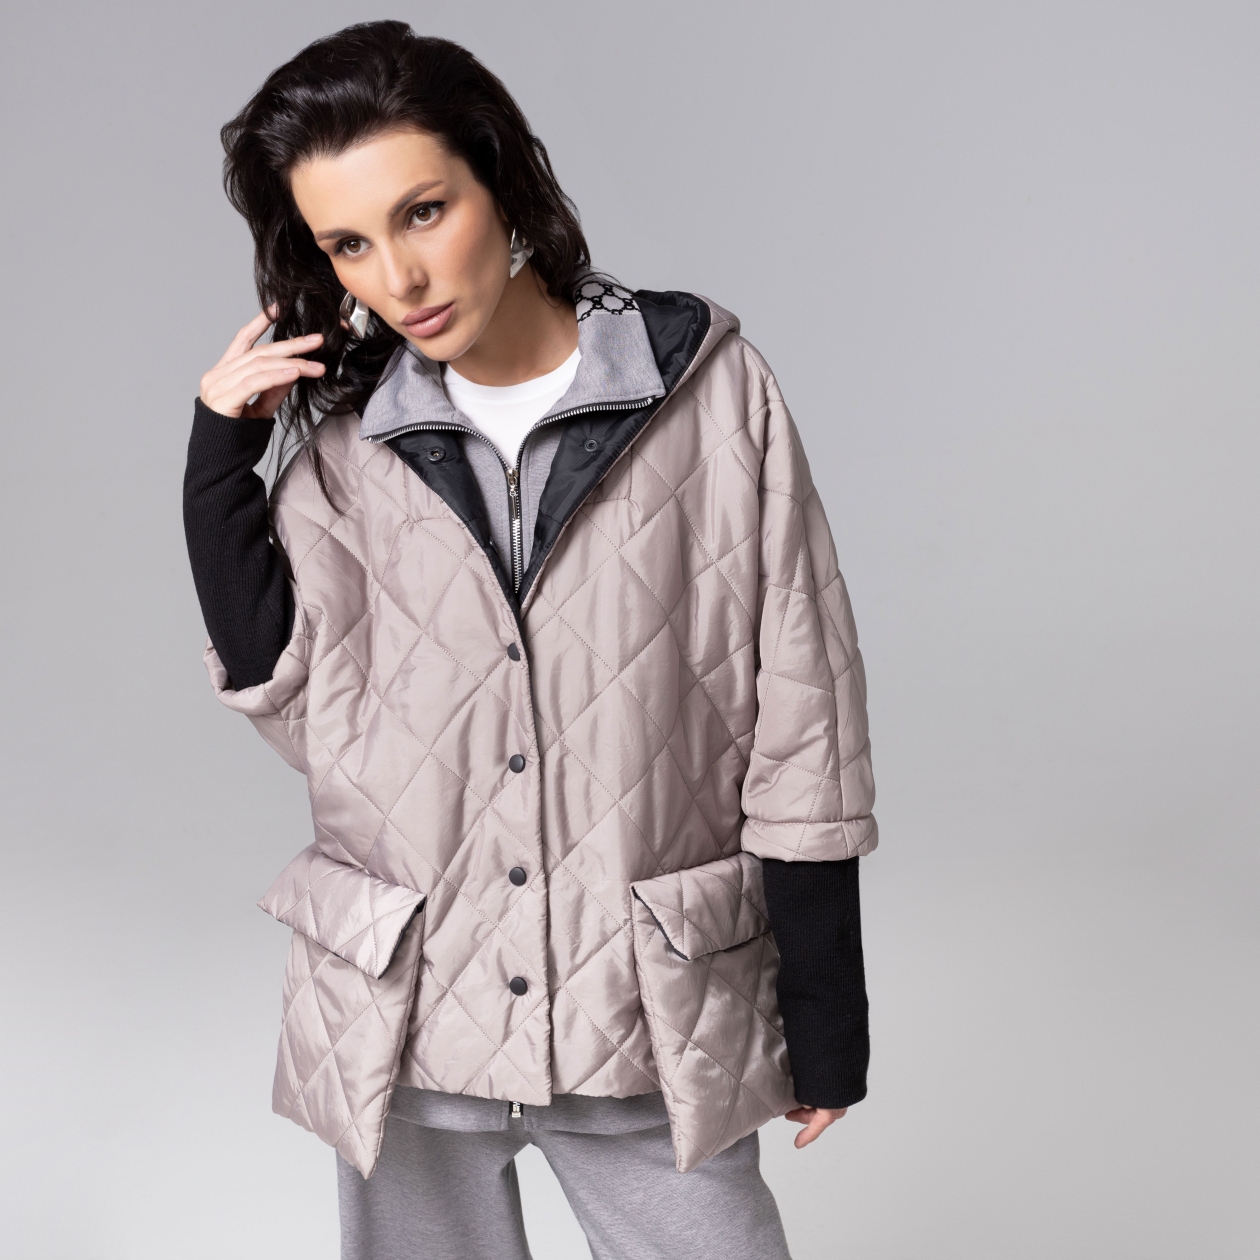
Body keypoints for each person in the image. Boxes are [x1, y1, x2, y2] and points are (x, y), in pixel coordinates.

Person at [184, 21, 876, 1260]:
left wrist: (825, 1015)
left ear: (498, 179)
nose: (401, 277)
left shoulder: (710, 393)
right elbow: (300, 707)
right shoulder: (345, 448)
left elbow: (804, 705)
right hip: (410, 1013)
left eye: (424, 211)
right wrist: (217, 464)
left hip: (640, 1006)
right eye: (349, 245)